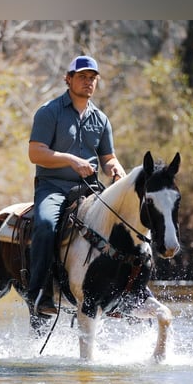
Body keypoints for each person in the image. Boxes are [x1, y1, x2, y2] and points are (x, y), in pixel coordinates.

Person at [27, 55, 126, 316]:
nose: (88, 82)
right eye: (82, 77)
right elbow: (36, 153)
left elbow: (108, 158)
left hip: (90, 190)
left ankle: (123, 293)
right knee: (47, 225)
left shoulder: (101, 119)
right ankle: (40, 293)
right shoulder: (49, 112)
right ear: (68, 79)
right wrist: (71, 160)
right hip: (53, 187)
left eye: (92, 78)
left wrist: (115, 170)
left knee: (124, 226)